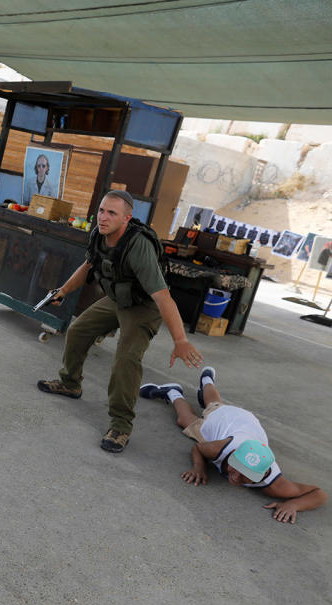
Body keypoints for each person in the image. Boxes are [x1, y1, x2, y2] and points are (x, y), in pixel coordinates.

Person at [37, 190, 202, 453]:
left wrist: (180, 340)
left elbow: (162, 297)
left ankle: (121, 425)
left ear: (126, 218)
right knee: (78, 330)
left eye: (111, 213)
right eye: (101, 211)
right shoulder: (99, 235)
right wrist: (63, 291)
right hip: (117, 298)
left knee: (126, 359)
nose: (103, 217)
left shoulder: (138, 246)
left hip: (143, 307)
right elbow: (89, 265)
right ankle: (70, 384)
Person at [139, 367, 326, 523]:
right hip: (225, 420)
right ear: (232, 456)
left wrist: (293, 504)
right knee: (196, 415)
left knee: (214, 403)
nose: (235, 476)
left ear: (259, 476)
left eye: (245, 475)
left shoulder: (275, 484)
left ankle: (203, 384)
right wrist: (199, 467)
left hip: (247, 425)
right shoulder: (218, 448)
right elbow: (198, 448)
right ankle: (177, 390)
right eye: (235, 468)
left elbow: (319, 494)